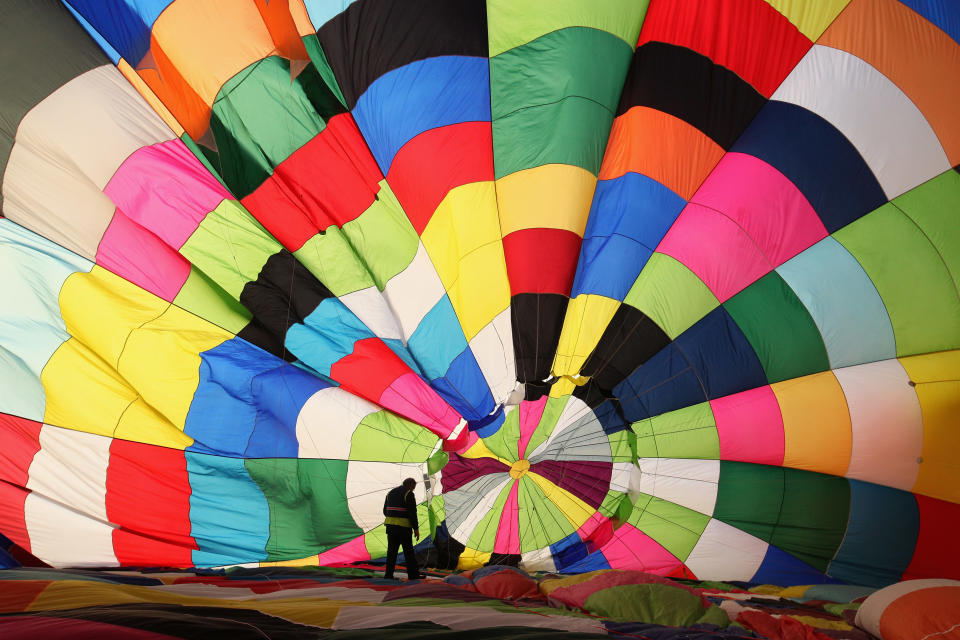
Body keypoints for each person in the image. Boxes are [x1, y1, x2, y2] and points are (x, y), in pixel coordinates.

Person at [382, 477, 422, 580]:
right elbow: (412, 513)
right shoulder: (408, 494)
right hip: (403, 528)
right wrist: (416, 529)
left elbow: (385, 511)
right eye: (413, 488)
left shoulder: (390, 493)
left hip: (390, 527)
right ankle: (413, 576)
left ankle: (388, 575)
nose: (413, 490)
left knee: (391, 552)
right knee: (408, 552)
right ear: (411, 486)